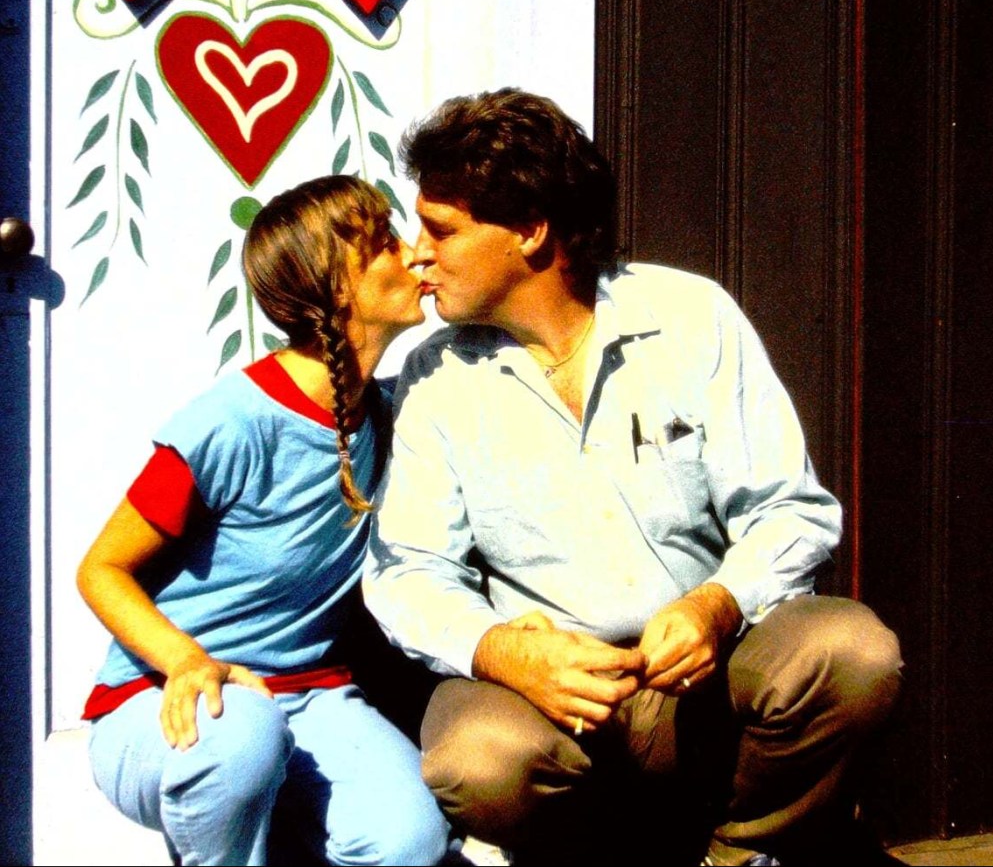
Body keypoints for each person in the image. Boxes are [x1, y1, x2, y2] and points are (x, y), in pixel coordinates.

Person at [363, 90, 904, 866]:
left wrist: (717, 603)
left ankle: (736, 854)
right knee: (478, 756)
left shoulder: (689, 317)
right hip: (548, 698)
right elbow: (408, 570)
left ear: (530, 230)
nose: (418, 254)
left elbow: (790, 510)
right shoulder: (436, 376)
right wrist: (500, 650)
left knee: (850, 651)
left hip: (704, 685)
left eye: (442, 230)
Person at [78, 176, 449, 867]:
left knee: (408, 837)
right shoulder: (235, 421)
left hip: (308, 697)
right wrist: (186, 659)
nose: (415, 255)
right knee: (241, 740)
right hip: (166, 698)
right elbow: (101, 568)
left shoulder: (387, 410)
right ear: (337, 286)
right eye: (387, 244)